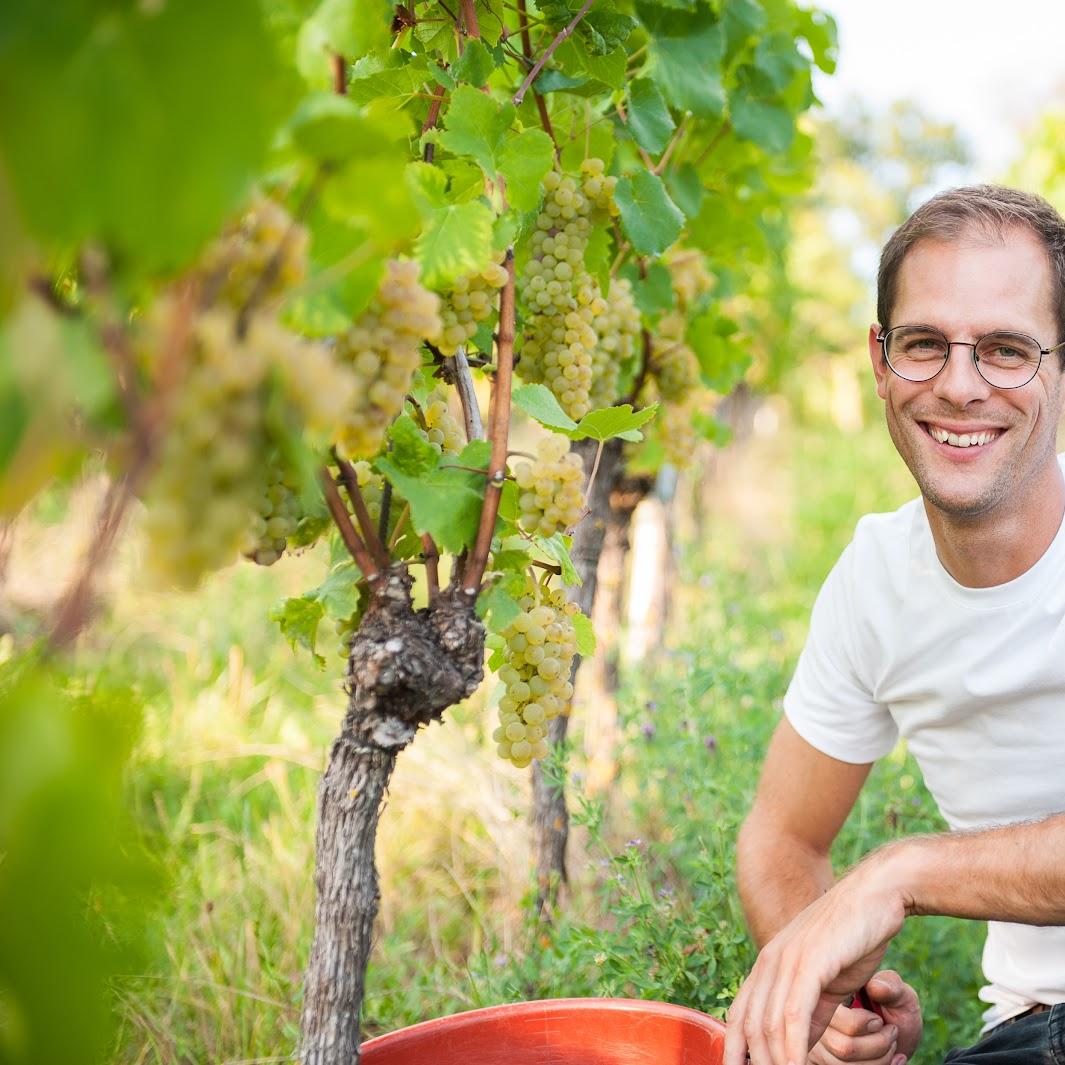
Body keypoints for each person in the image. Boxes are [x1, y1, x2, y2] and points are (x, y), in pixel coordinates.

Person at [723, 184, 1065, 1065]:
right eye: (924, 345)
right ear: (879, 360)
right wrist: (836, 990)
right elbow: (780, 836)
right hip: (1037, 1028)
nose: (959, 385)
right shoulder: (875, 579)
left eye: (1005, 349)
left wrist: (896, 874)